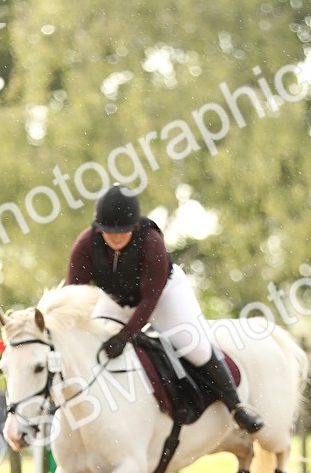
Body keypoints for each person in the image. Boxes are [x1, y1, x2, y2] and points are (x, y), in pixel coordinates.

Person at [66, 184, 264, 434]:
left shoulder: (151, 242)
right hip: (114, 301)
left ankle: (237, 407)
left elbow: (149, 300)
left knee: (195, 347)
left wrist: (125, 335)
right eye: (109, 232)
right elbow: (73, 296)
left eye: (122, 232)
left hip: (164, 296)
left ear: (134, 227)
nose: (115, 238)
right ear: (98, 228)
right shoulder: (85, 245)